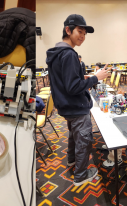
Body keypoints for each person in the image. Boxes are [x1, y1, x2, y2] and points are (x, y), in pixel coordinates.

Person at [46, 14, 111, 186]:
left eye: (84, 33)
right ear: (68, 30)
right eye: (79, 31)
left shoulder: (57, 52)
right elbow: (73, 87)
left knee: (74, 137)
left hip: (67, 106)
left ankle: (72, 161)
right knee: (84, 141)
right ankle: (81, 175)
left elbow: (63, 80)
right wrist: (96, 78)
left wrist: (83, 76)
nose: (82, 36)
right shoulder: (69, 54)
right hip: (76, 106)